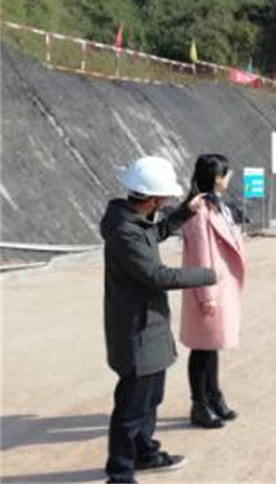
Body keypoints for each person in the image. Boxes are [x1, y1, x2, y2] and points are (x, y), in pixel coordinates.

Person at [101, 156, 217, 484]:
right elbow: (157, 275)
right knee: (131, 408)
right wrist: (208, 274)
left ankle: (144, 453)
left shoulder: (135, 221)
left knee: (150, 399)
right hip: (136, 331)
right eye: (164, 199)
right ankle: (119, 474)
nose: (166, 203)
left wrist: (184, 211)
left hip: (149, 326)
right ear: (151, 200)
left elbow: (158, 232)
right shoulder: (125, 231)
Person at [180, 154, 246, 429]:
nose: (230, 178)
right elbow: (199, 256)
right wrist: (207, 296)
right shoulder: (199, 211)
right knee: (202, 348)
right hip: (209, 289)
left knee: (212, 345)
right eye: (227, 174)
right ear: (218, 179)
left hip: (220, 286)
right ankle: (199, 404)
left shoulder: (214, 206)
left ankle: (214, 397)